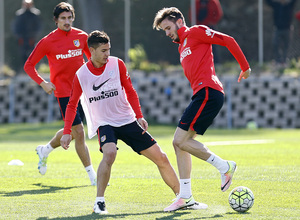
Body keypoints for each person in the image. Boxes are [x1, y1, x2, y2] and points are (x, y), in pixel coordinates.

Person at [60, 30, 207, 214]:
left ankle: (184, 198)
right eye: (104, 50)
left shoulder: (117, 64)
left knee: (161, 157)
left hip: (127, 120)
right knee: (110, 153)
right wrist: (67, 131)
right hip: (105, 123)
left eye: (109, 49)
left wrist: (139, 116)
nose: (108, 54)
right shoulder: (81, 74)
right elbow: (72, 104)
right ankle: (99, 202)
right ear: (92, 50)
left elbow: (129, 90)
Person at [153, 7, 251, 211]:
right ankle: (186, 197)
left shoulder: (196, 31)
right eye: (164, 30)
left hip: (209, 92)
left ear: (179, 21)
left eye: (168, 27)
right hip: (201, 95)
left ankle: (225, 167)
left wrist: (245, 66)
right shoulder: (181, 47)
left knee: (179, 140)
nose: (167, 33)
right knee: (180, 144)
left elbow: (228, 40)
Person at [24, 2, 96, 185]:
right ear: (56, 20)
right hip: (64, 94)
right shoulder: (48, 41)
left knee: (72, 132)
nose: (67, 21)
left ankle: (45, 149)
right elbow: (29, 66)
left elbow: (92, 60)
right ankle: (93, 177)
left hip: (83, 91)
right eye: (63, 18)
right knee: (79, 132)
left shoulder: (81, 36)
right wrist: (43, 83)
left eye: (69, 17)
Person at [12, 0, 42, 70]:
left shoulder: (35, 14)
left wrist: (35, 36)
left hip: (32, 38)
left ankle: (33, 69)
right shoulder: (19, 14)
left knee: (33, 54)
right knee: (22, 54)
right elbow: (15, 26)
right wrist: (18, 36)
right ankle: (24, 70)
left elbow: (39, 26)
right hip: (22, 38)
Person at [266, 0, 297, 66]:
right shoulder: (276, 5)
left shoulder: (289, 5)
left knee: (286, 45)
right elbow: (268, 2)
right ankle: (278, 60)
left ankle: (284, 60)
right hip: (278, 29)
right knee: (275, 44)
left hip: (287, 29)